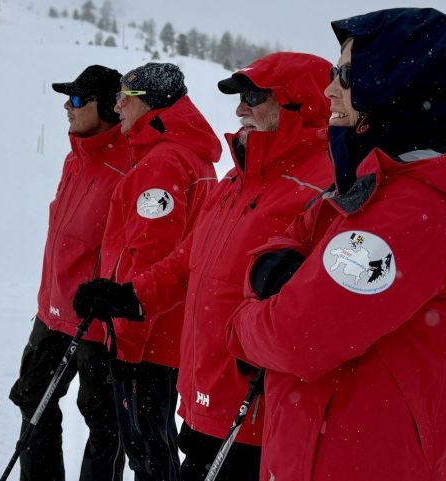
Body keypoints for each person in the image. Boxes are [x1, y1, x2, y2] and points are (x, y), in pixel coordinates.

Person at [226, 8, 446, 481]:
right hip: (315, 450)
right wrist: (274, 270)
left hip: (355, 460)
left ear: (397, 83)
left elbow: (296, 339)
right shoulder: (376, 181)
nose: (330, 89)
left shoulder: (412, 214)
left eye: (347, 75)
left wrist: (243, 326)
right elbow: (292, 237)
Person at [76, 52, 334, 481]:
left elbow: (321, 312)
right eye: (239, 98)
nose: (239, 109)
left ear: (300, 104)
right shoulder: (238, 178)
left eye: (253, 96)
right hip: (204, 398)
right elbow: (186, 262)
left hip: (258, 415)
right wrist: (131, 298)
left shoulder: (323, 187)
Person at [73, 62, 222, 481]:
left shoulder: (164, 162)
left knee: (147, 448)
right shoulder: (180, 156)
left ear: (150, 105)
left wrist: (127, 346)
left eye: (125, 99)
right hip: (165, 329)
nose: (117, 107)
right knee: (152, 445)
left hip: (149, 335)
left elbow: (147, 256)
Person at [8, 65, 130, 481]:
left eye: (78, 100)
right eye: (68, 97)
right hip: (52, 310)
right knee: (32, 397)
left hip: (95, 322)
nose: (67, 106)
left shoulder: (129, 165)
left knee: (104, 423)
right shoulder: (74, 159)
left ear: (108, 109)